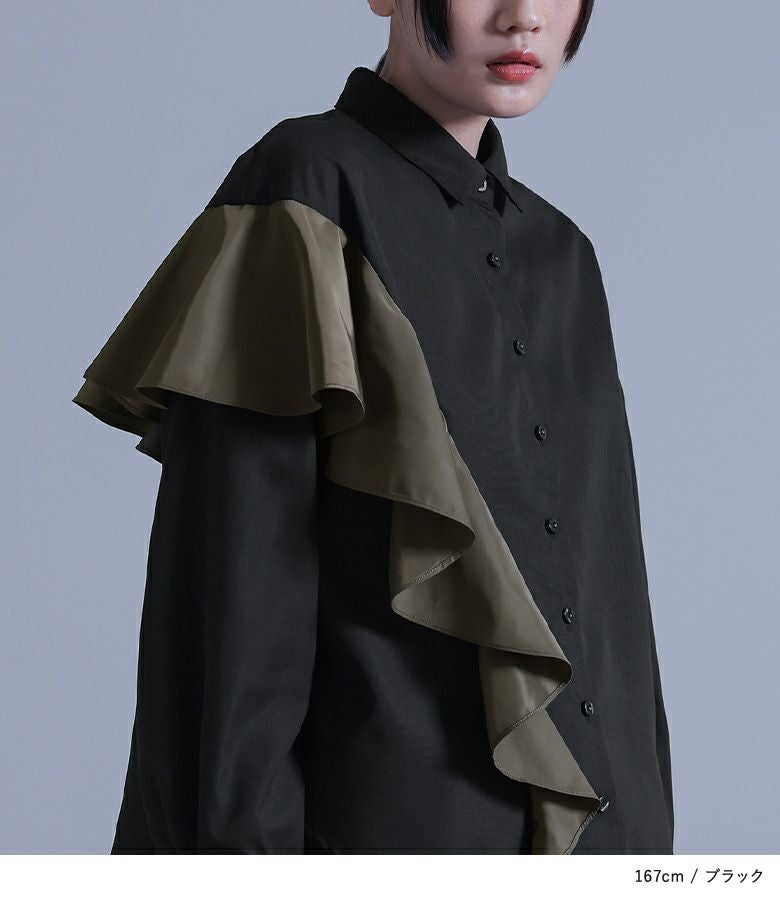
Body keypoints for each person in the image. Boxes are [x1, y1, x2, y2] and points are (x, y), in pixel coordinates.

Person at [72, 0, 674, 854]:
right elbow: (237, 589)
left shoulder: (564, 257)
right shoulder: (304, 188)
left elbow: (614, 612)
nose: (523, 19)